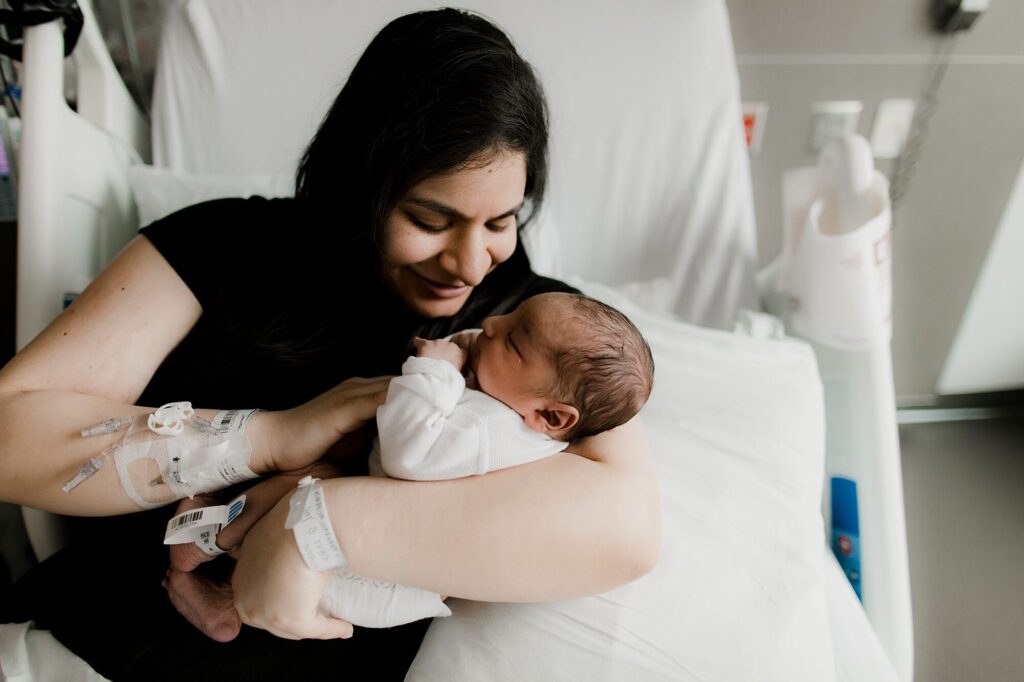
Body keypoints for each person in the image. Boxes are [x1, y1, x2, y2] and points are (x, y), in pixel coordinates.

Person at [0, 8, 659, 680]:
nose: (469, 263)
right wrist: (270, 437)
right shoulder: (218, 247)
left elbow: (625, 531)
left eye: (500, 221)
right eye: (430, 219)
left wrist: (313, 526)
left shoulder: (539, 329)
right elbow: (9, 429)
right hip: (96, 647)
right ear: (362, 179)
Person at [163, 292, 655, 641]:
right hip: (377, 562)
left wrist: (433, 374)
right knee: (306, 490)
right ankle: (218, 579)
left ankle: (208, 551)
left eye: (513, 342)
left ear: (550, 416)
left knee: (304, 491)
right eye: (510, 316)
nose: (493, 324)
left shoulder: (490, 431)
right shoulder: (515, 406)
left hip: (373, 580)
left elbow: (410, 457)